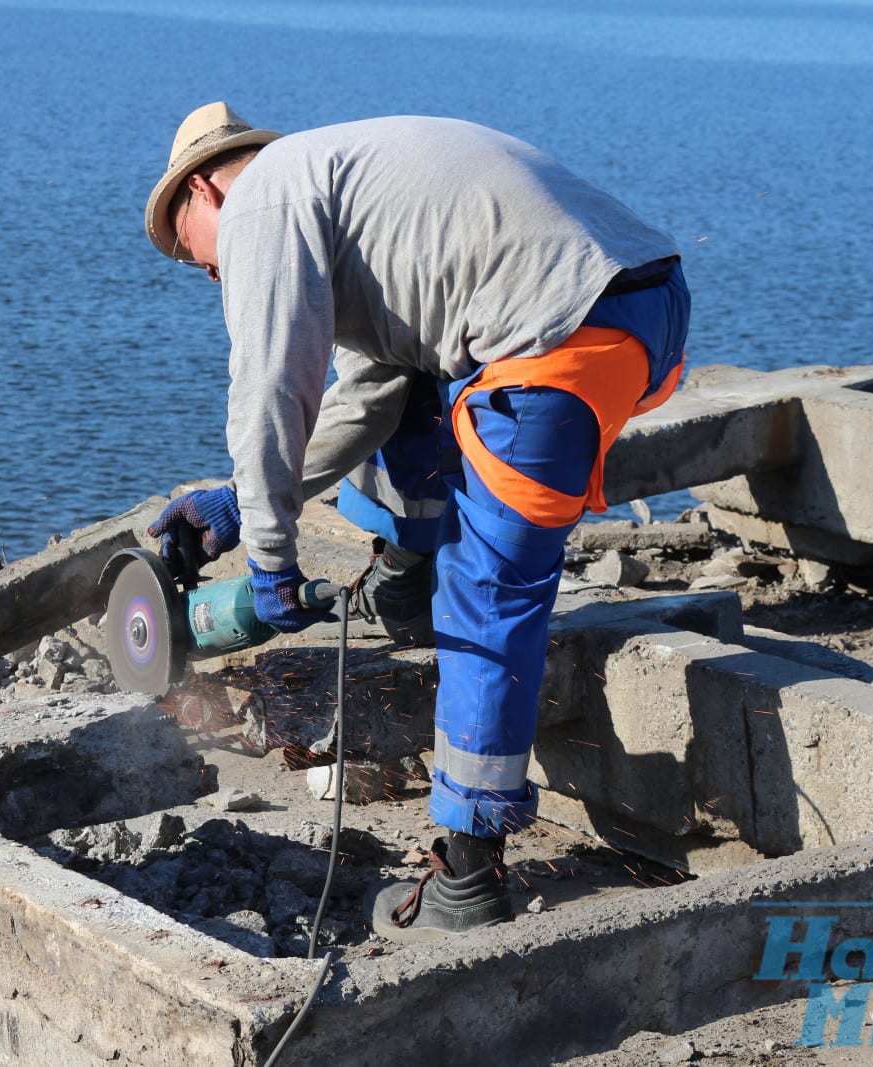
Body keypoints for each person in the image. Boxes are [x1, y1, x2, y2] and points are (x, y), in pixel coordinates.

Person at [143, 101, 690, 942]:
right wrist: (241, 500)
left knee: (493, 591)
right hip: (639, 303)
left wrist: (270, 558)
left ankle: (467, 880)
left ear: (205, 191)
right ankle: (406, 583)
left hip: (558, 340)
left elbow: (268, 391)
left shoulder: (263, 203)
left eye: (193, 254)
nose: (209, 274)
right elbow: (365, 394)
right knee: (408, 404)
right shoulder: (343, 189)